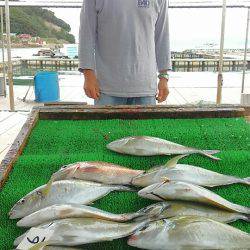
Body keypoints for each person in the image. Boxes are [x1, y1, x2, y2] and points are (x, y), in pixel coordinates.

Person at [78, 0, 172, 105]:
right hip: (106, 89)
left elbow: (162, 37)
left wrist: (164, 76)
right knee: (104, 122)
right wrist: (88, 74)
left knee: (146, 122)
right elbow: (86, 33)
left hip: (146, 88)